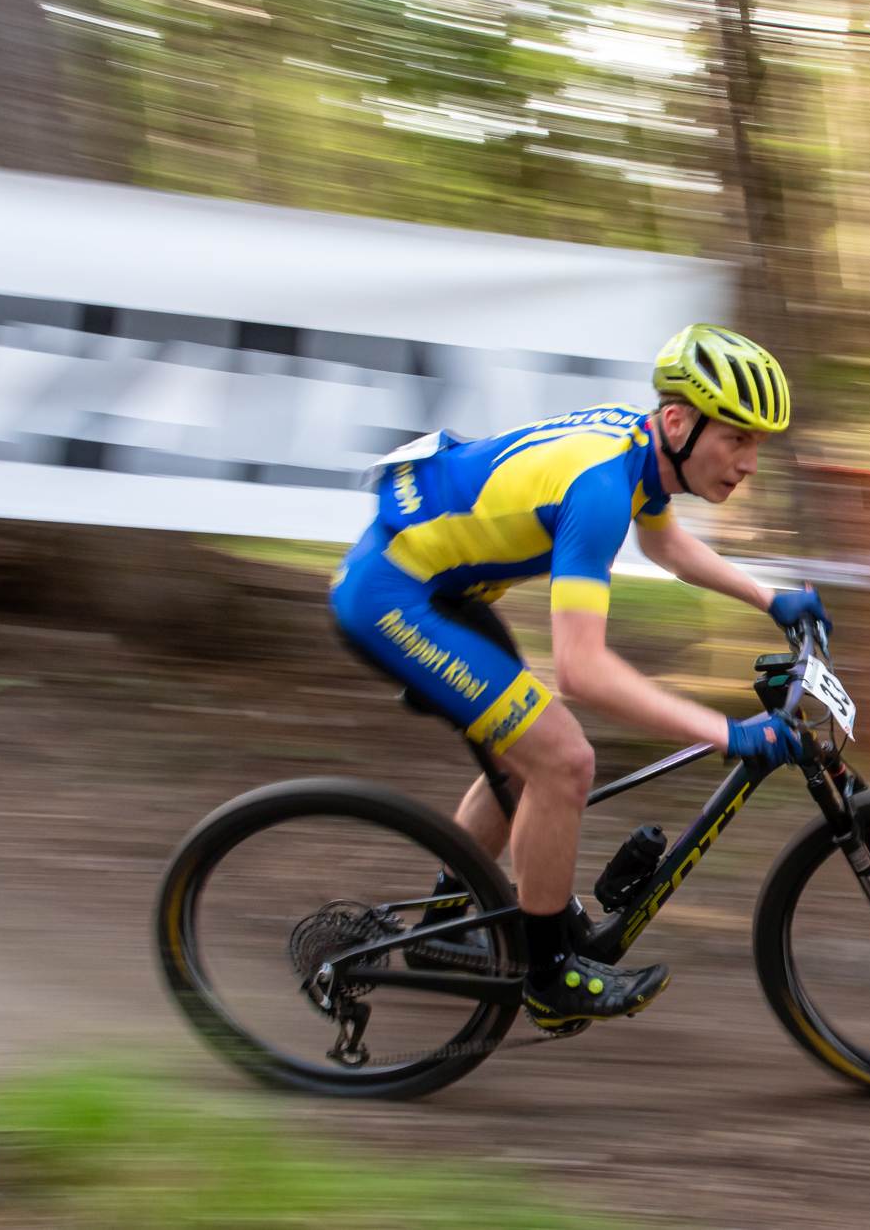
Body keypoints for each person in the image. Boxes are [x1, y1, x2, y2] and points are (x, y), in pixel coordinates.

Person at [329, 324, 830, 1030]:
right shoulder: (599, 490)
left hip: (435, 587)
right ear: (679, 423)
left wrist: (769, 598)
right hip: (394, 597)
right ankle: (549, 976)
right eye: (737, 439)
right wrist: (727, 732)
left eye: (757, 444)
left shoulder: (639, 450)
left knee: (524, 761)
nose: (749, 463)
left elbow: (664, 542)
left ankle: (443, 924)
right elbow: (581, 669)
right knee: (563, 759)